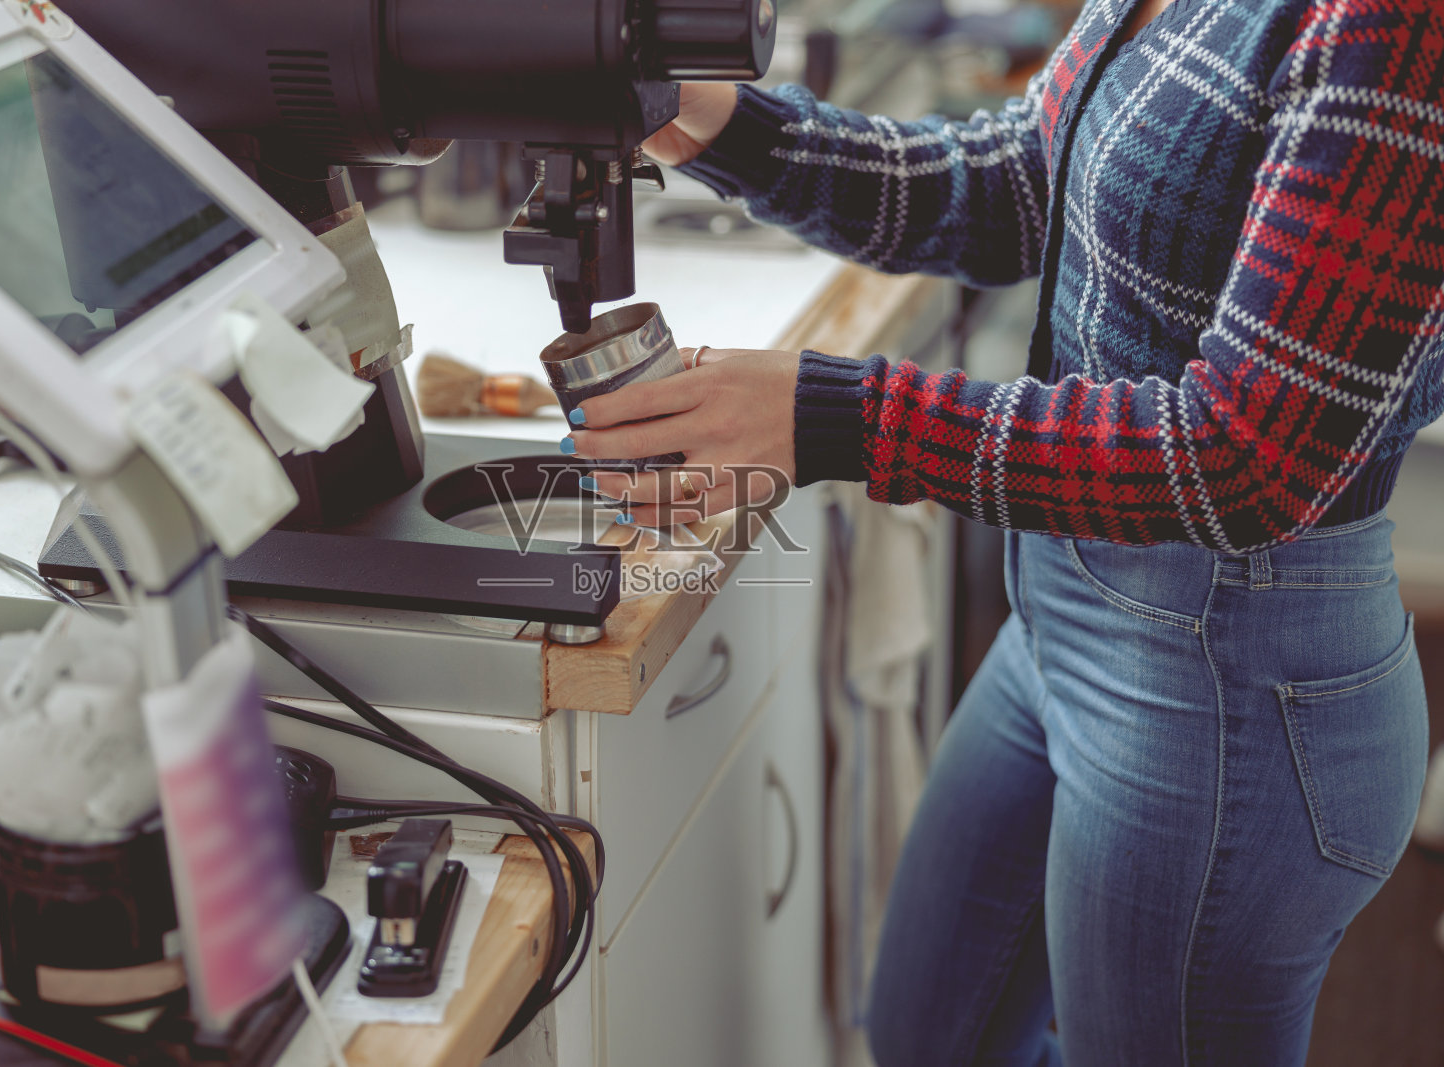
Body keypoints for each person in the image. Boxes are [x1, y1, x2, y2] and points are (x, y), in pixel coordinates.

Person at [560, 0, 1442, 1062]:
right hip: (1064, 617)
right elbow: (1023, 182)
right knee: (929, 1035)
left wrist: (836, 415)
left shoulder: (1391, 28)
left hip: (1231, 678)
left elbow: (1243, 457)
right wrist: (716, 123)